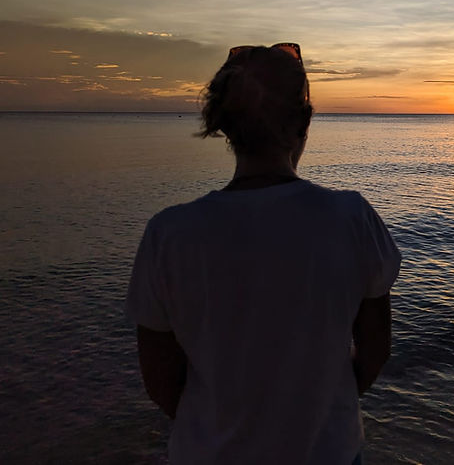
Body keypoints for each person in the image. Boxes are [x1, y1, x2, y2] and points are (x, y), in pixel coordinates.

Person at [125, 43, 401, 464]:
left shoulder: (170, 233)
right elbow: (375, 347)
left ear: (224, 126)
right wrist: (318, 410)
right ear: (304, 122)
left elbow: (161, 380)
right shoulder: (351, 218)